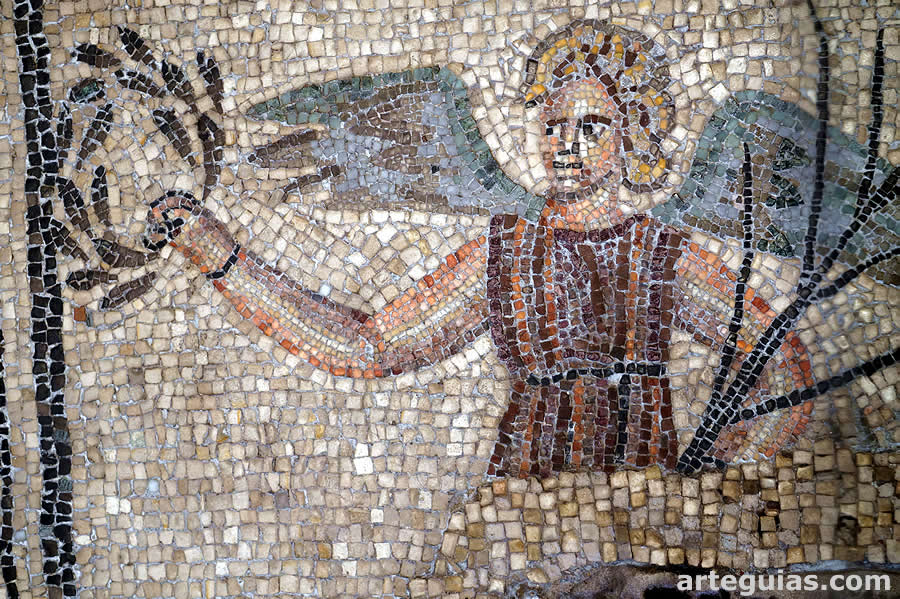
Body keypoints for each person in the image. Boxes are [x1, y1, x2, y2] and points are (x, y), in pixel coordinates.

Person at [143, 20, 814, 478]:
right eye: (553, 125)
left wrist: (718, 476)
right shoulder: (508, 254)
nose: (567, 145)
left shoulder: (663, 255)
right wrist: (221, 257)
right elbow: (370, 346)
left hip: (645, 504)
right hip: (526, 498)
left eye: (591, 125)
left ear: (632, 133)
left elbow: (782, 360)